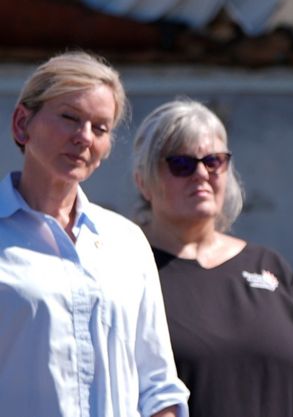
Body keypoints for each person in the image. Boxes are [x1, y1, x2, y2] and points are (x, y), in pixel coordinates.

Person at [0, 51, 189, 416]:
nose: (84, 137)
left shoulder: (127, 241)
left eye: (100, 128)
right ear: (23, 123)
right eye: (70, 118)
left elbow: (158, 385)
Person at [131, 98, 293, 417]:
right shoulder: (126, 269)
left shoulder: (269, 267)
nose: (201, 174)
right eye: (181, 164)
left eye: (214, 161)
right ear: (144, 182)